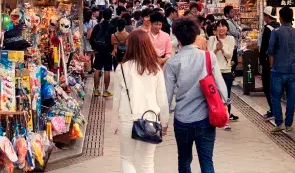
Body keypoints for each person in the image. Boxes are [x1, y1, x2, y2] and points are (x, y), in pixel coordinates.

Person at [164, 18, 227, 173]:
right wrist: (224, 104)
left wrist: (163, 121)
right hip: (205, 118)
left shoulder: (172, 63)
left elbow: (167, 95)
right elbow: (221, 88)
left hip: (182, 119)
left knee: (184, 160)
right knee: (207, 161)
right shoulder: (208, 57)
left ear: (178, 38)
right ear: (196, 35)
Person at [112, 30, 170, 173]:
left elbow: (117, 98)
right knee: (148, 162)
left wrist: (115, 122)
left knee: (127, 159)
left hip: (127, 118)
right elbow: (162, 99)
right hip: (150, 118)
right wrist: (165, 122)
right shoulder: (155, 68)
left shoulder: (122, 68)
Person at [268, 7, 295, 133]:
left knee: (275, 97)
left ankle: (279, 123)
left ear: (281, 18)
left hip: (278, 70)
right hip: (293, 71)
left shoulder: (276, 32)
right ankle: (289, 124)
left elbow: (271, 51)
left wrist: (272, 67)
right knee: (291, 98)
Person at [207, 20, 238, 129]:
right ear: (216, 29)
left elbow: (229, 55)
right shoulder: (211, 39)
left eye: (223, 26)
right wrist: (216, 49)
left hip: (226, 71)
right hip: (214, 71)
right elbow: (209, 55)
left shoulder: (231, 39)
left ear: (227, 28)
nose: (221, 28)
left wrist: (222, 48)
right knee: (214, 96)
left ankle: (225, 120)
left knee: (226, 96)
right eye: (219, 26)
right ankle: (214, 117)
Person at [258, 7, 280, 118]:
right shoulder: (279, 26)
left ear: (267, 16)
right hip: (279, 61)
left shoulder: (268, 29)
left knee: (267, 86)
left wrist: (261, 60)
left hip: (268, 62)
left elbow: (265, 47)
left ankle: (273, 110)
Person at [91, 9, 115, 97]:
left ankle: (96, 90)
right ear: (110, 16)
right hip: (108, 52)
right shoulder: (112, 27)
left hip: (99, 51)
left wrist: (95, 48)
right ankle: (105, 91)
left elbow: (92, 39)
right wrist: (111, 50)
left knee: (97, 70)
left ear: (102, 15)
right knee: (107, 70)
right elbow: (113, 41)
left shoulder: (97, 26)